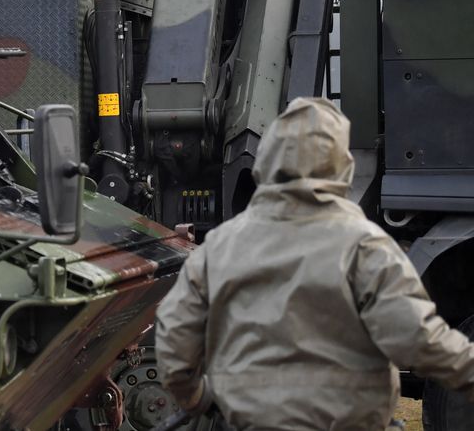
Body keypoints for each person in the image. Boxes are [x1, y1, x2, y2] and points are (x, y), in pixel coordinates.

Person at [156, 97, 474, 430]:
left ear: (267, 160)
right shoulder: (364, 246)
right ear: (341, 164)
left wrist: (196, 396)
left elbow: (174, 338)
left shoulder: (219, 247)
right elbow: (419, 340)